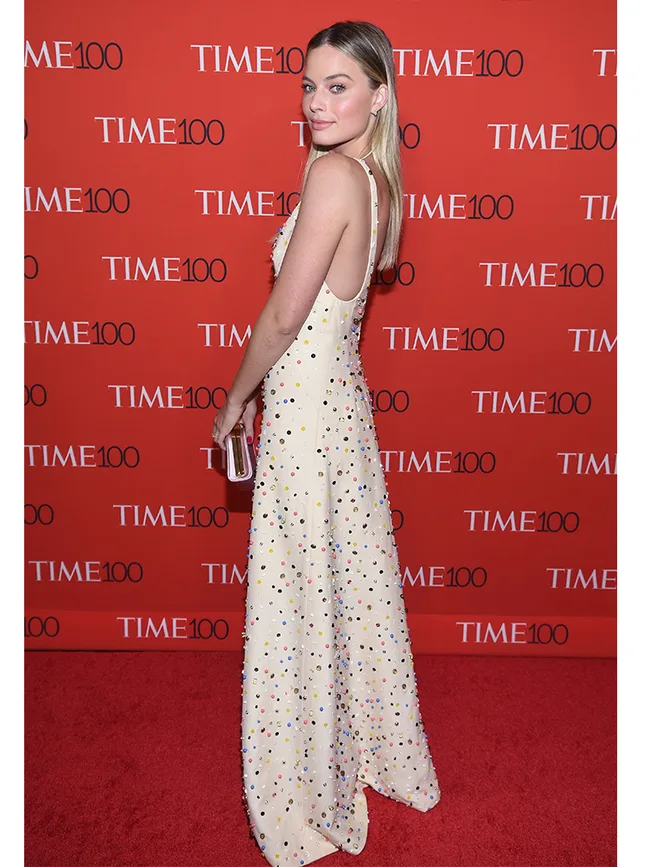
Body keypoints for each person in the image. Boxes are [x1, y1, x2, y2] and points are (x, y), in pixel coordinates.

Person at [212, 20, 441, 867]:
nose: (316, 100)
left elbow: (282, 315)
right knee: (345, 588)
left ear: (379, 94)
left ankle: (310, 780)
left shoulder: (336, 176)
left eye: (338, 85)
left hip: (307, 420)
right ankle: (363, 743)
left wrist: (235, 400)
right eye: (308, 85)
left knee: (304, 596)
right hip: (341, 411)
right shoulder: (370, 177)